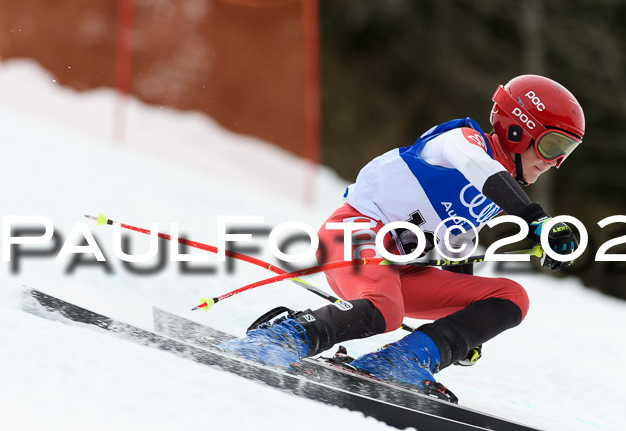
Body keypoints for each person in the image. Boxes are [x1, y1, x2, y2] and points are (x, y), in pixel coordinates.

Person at [220, 74, 584, 393]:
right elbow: (480, 167)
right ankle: (283, 338)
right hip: (353, 235)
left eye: (565, 153)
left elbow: (458, 248)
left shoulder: (493, 194)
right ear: (518, 130)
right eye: (552, 146)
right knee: (386, 309)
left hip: (399, 268)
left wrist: (463, 331)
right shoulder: (462, 141)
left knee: (512, 297)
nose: (555, 161)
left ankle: (398, 363)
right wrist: (537, 220)